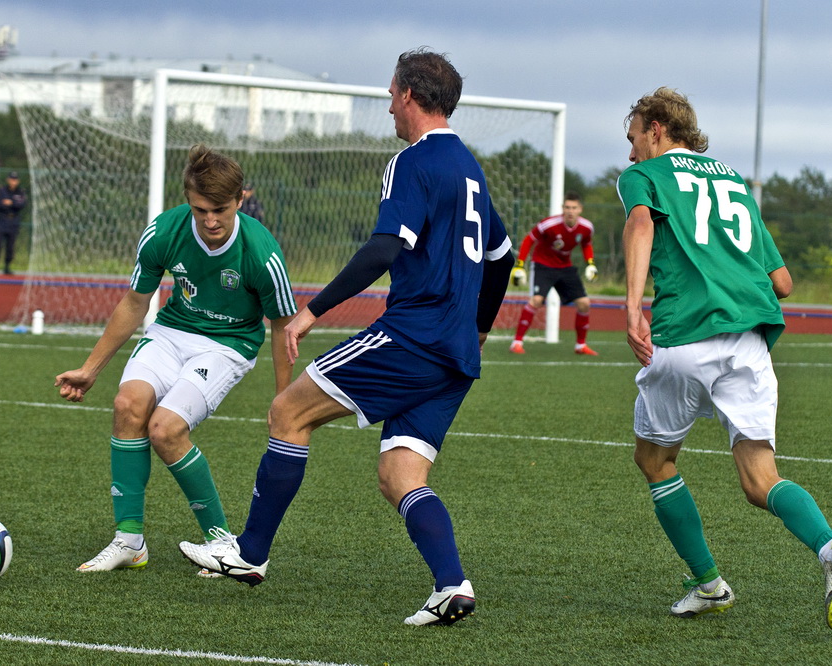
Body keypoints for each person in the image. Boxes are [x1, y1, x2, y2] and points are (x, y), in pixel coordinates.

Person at [179, 48, 515, 626]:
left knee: (288, 411)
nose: (388, 105)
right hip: (455, 352)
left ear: (409, 95)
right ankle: (452, 585)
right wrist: (479, 328)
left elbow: (387, 248)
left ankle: (249, 554)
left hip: (413, 336)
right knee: (399, 477)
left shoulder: (411, 162)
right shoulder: (470, 168)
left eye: (390, 93)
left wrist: (313, 311)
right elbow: (503, 256)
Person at [619, 87, 832, 629]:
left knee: (655, 461)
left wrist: (634, 308)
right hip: (750, 342)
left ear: (656, 127)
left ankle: (709, 585)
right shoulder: (731, 180)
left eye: (633, 137)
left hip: (684, 336)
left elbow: (639, 224)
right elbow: (783, 282)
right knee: (760, 481)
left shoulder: (646, 176)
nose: (631, 152)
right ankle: (829, 548)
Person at [54, 144, 297, 576]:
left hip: (228, 345)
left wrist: (284, 401)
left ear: (241, 199)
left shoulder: (261, 251)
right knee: (127, 405)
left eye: (220, 209)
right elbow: (134, 302)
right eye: (200, 209)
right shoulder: (164, 232)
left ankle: (222, 543)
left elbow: (282, 326)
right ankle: (129, 541)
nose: (210, 220)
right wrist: (90, 369)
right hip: (170, 333)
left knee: (165, 429)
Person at [509, 192, 599, 356]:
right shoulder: (549, 224)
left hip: (565, 267)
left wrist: (590, 263)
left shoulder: (586, 227)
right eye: (567, 207)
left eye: (574, 207)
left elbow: (586, 244)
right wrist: (520, 265)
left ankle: (580, 346)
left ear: (580, 209)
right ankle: (517, 342)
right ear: (562, 208)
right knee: (536, 300)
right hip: (543, 265)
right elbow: (529, 239)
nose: (570, 211)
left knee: (584, 303)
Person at [0, 171, 27, 275]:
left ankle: (7, 267)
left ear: (18, 181)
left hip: (13, 221)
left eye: (15, 180)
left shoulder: (21, 192)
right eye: (11, 179)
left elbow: (22, 204)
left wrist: (11, 202)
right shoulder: (2, 190)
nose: (13, 182)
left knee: (10, 246)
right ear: (8, 179)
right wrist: (12, 204)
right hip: (2, 220)